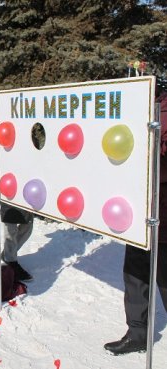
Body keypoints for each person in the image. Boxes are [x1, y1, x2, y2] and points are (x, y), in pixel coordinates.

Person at [104, 93, 167, 355]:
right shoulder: (155, 98)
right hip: (140, 207)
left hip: (163, 210)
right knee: (135, 272)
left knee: (163, 275)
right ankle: (138, 333)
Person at [0, 140, 34, 282]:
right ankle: (11, 261)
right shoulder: (2, 139)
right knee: (11, 228)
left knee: (28, 226)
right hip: (9, 189)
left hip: (27, 189)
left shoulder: (30, 136)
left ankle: (7, 254)